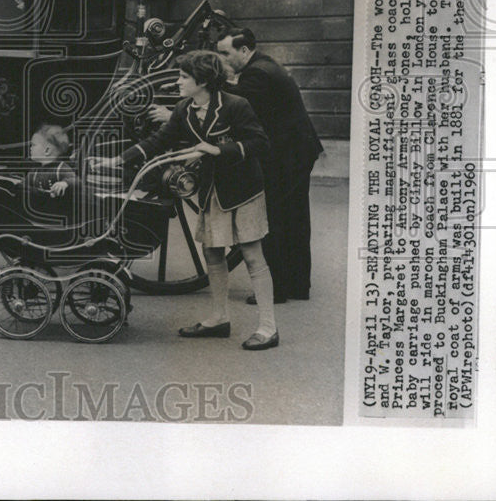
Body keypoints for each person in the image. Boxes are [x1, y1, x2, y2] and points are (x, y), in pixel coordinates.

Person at [93, 50, 279, 350]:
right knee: (212, 253)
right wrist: (117, 160)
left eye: (183, 77)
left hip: (243, 190)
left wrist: (220, 150)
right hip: (211, 190)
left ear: (203, 81)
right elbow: (157, 141)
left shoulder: (236, 105)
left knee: (252, 255)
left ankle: (269, 328)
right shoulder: (184, 109)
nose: (178, 82)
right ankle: (219, 318)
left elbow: (260, 142)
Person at [216, 27, 323, 302]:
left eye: (225, 53)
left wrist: (209, 82)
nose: (223, 59)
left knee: (274, 218)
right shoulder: (264, 64)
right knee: (295, 219)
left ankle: (277, 288)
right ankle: (298, 286)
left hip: (287, 156)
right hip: (297, 151)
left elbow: (237, 105)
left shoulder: (257, 73)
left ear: (243, 50)